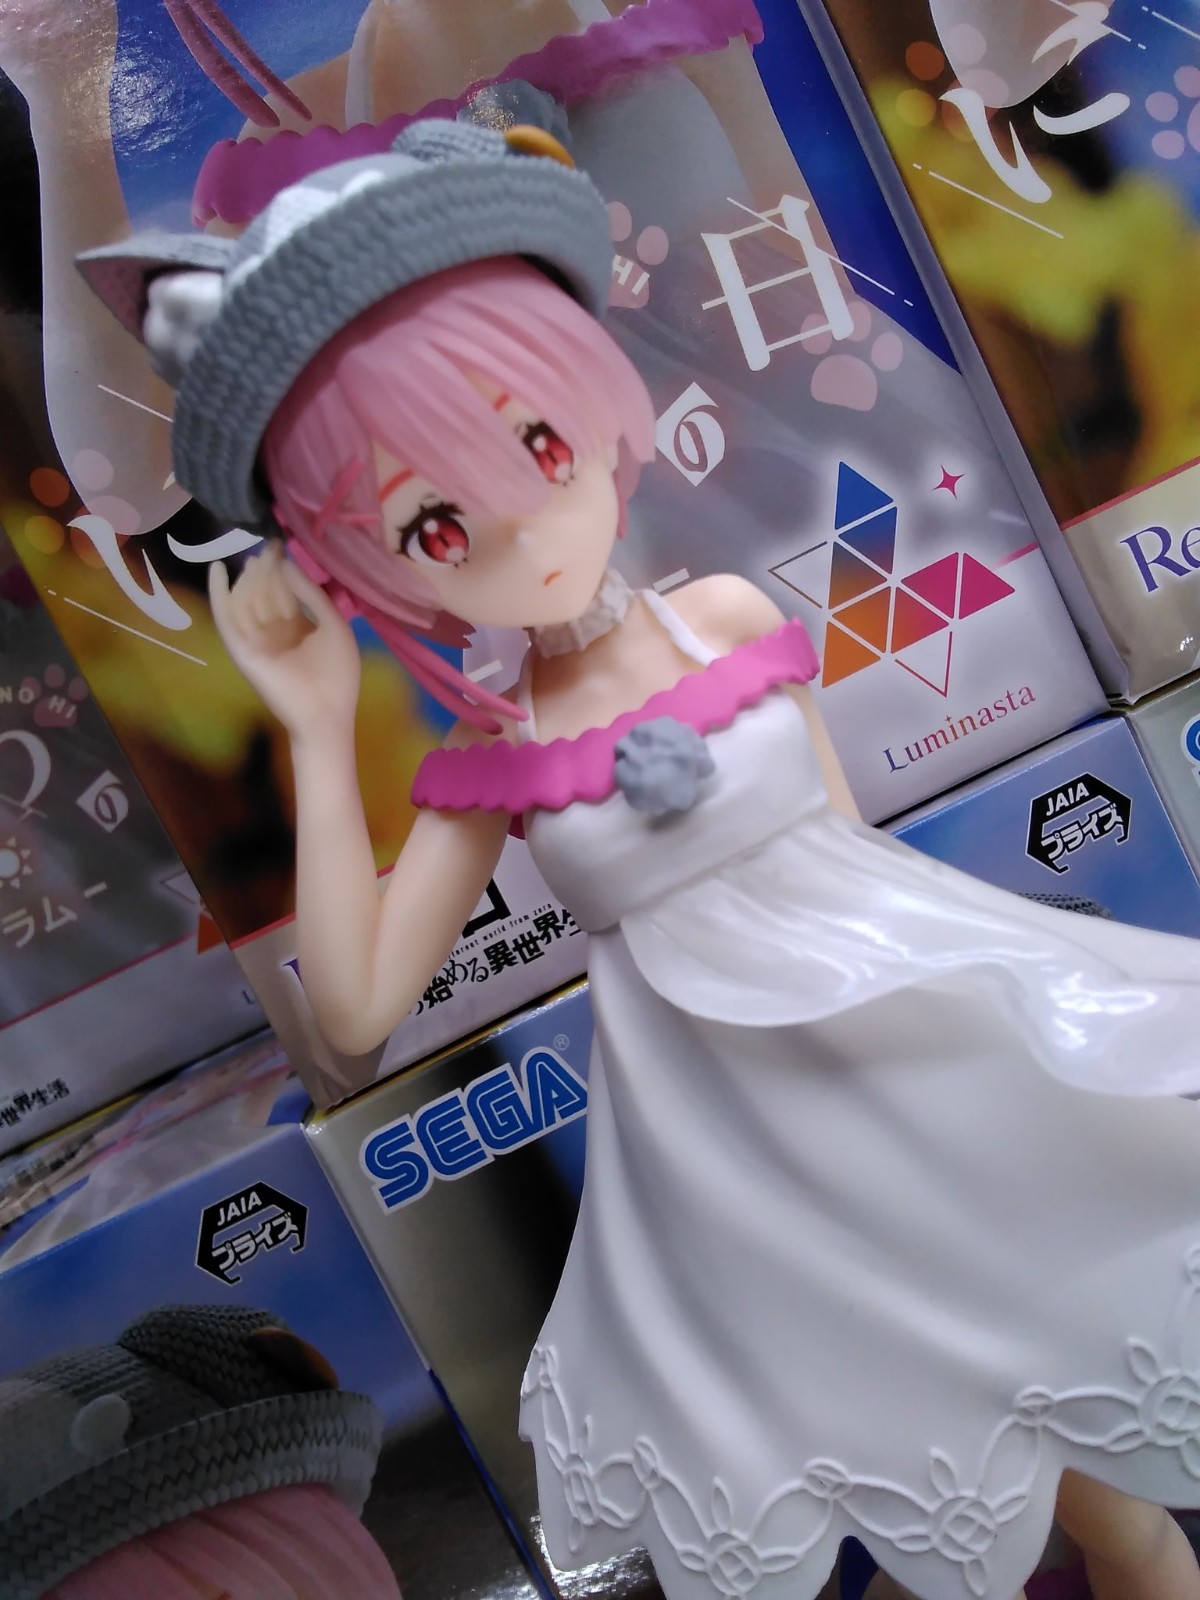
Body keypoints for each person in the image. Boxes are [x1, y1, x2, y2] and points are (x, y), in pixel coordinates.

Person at [78, 99, 1200, 1600]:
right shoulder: (494, 768)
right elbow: (351, 1014)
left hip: (910, 1086)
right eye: (432, 526)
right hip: (749, 1184)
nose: (523, 531)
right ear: (367, 563)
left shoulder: (725, 619)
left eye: (539, 442)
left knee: (1108, 1497)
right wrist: (315, 728)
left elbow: (854, 856)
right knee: (920, 1494)